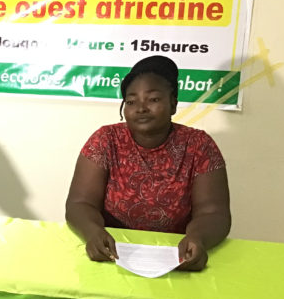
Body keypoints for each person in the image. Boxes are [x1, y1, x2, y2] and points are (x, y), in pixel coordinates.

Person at [65, 55, 230, 271]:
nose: (141, 108)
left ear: (173, 103)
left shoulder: (199, 145)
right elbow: (79, 203)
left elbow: (213, 212)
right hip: (112, 255)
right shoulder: (105, 140)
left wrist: (198, 239)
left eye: (153, 99)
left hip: (176, 258)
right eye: (131, 101)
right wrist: (93, 232)